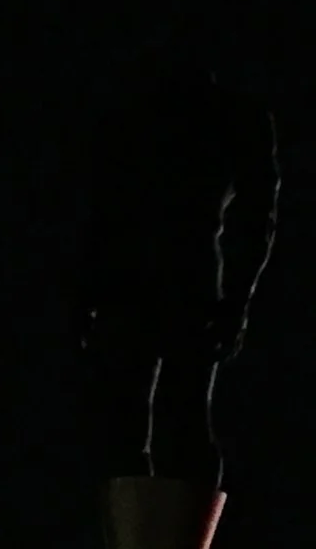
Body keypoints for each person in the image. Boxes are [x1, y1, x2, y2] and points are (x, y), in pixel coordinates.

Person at [80, 50, 279, 487]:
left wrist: (83, 295)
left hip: (131, 284)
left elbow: (95, 208)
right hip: (184, 283)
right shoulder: (235, 116)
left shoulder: (127, 115)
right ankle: (176, 548)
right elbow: (256, 218)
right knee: (178, 422)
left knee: (135, 426)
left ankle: (145, 547)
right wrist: (236, 301)